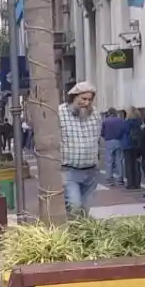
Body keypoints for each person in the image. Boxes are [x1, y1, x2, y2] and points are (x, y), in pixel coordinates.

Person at [58, 81, 103, 214]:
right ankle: (73, 233)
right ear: (74, 97)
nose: (87, 103)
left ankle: (79, 234)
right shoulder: (60, 112)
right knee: (75, 206)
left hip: (91, 172)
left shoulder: (95, 114)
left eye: (90, 99)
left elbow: (97, 138)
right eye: (83, 99)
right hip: (69, 171)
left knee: (85, 210)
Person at [101, 108, 127, 186]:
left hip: (109, 141)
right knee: (119, 160)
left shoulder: (105, 121)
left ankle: (109, 180)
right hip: (118, 140)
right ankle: (120, 179)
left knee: (109, 161)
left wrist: (105, 136)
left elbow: (102, 132)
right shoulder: (120, 120)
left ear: (109, 113)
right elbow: (123, 130)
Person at [122, 107, 143, 189]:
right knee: (136, 164)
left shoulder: (126, 123)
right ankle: (137, 183)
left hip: (127, 145)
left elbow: (122, 132)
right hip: (137, 145)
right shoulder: (139, 122)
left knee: (128, 165)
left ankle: (130, 183)